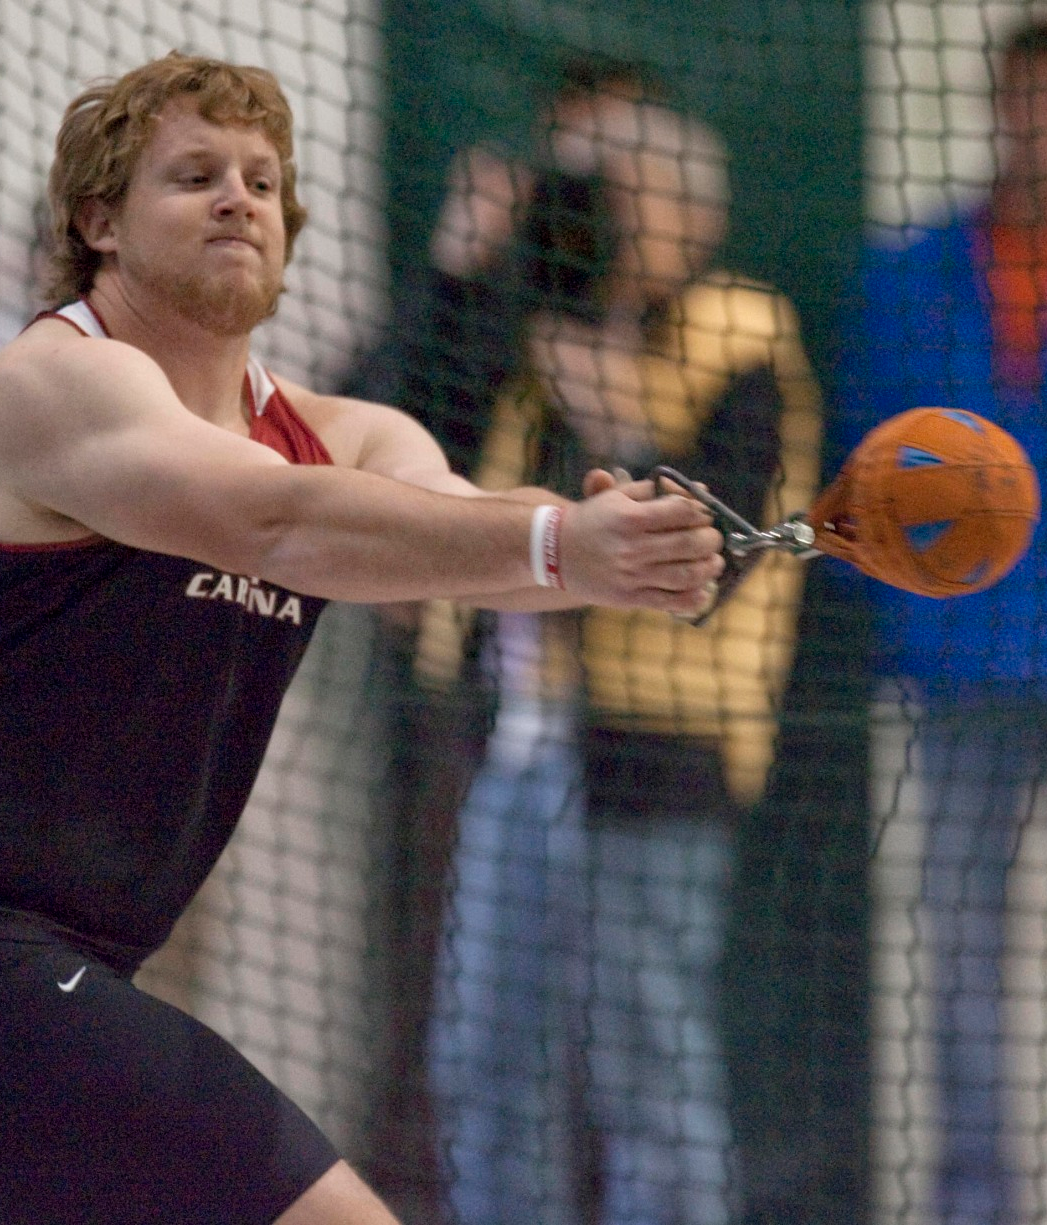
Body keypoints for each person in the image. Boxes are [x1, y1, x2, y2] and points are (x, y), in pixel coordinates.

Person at [0, 52, 726, 1225]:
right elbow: (272, 518)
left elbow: (437, 535)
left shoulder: (344, 430)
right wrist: (558, 546)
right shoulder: (53, 384)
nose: (240, 197)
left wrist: (609, 544)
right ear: (100, 221)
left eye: (261, 179)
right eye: (193, 176)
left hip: (74, 968)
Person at [421, 95, 822, 1225]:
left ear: (690, 217)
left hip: (657, 756)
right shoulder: (525, 327)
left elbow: (720, 548)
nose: (588, 225)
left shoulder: (743, 332)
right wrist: (461, 274)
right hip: (514, 754)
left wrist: (600, 382)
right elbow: (405, 431)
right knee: (486, 1063)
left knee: (646, 1068)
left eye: (613, 201)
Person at [839, 17, 1047, 1225]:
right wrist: (906, 611)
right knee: (957, 959)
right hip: (952, 674)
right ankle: (971, 1206)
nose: (1040, 123)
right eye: (1022, 100)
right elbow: (863, 472)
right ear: (993, 106)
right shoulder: (902, 274)